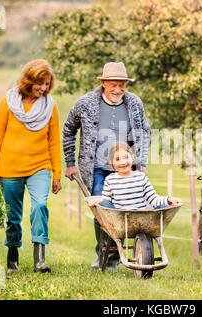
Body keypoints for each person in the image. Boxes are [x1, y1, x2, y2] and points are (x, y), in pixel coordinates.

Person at [0, 59, 61, 273]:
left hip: (40, 166)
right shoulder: (8, 102)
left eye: (47, 84)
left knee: (40, 205)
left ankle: (39, 259)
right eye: (40, 84)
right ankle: (12, 254)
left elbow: (53, 142)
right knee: (13, 216)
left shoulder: (50, 106)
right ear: (28, 80)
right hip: (10, 168)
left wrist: (57, 174)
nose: (44, 88)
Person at [62, 62, 150, 269]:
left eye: (122, 85)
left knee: (128, 208)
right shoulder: (85, 103)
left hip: (126, 166)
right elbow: (68, 130)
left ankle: (120, 253)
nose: (118, 89)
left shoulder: (134, 103)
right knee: (101, 208)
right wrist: (69, 162)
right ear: (103, 83)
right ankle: (105, 255)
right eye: (113, 85)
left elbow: (144, 132)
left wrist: (142, 161)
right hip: (97, 167)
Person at [88, 142, 181, 209]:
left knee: (163, 206)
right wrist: (99, 202)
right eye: (117, 159)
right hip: (119, 218)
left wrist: (168, 200)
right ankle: (104, 236)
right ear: (111, 163)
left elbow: (153, 199)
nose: (123, 162)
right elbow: (106, 201)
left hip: (141, 217)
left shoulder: (141, 177)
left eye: (126, 157)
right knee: (104, 203)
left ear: (132, 158)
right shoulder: (110, 180)